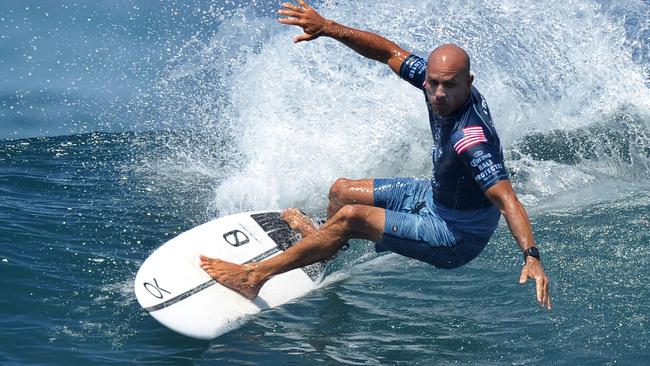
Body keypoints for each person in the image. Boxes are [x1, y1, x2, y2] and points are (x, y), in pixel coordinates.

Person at [200, 0, 551, 309]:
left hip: (454, 234)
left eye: (449, 85)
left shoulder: (470, 139)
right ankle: (324, 245)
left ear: (469, 82)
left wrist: (531, 256)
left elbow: (506, 199)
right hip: (433, 196)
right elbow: (388, 53)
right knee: (341, 191)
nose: (438, 93)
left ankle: (253, 277)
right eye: (433, 82)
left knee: (353, 216)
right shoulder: (435, 83)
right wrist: (328, 28)